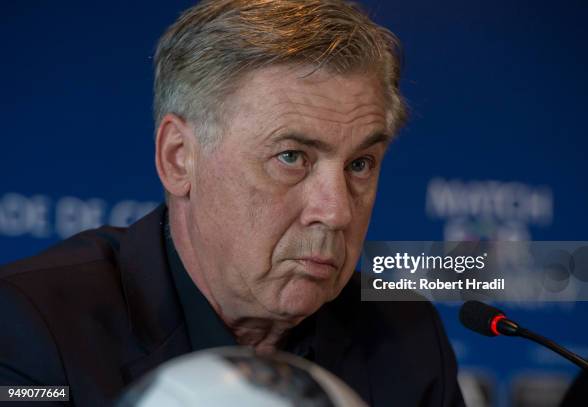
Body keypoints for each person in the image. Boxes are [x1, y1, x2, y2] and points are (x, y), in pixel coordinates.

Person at [0, 1, 465, 406]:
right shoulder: (33, 329)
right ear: (179, 158)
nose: (336, 211)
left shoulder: (406, 336)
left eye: (361, 164)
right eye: (291, 157)